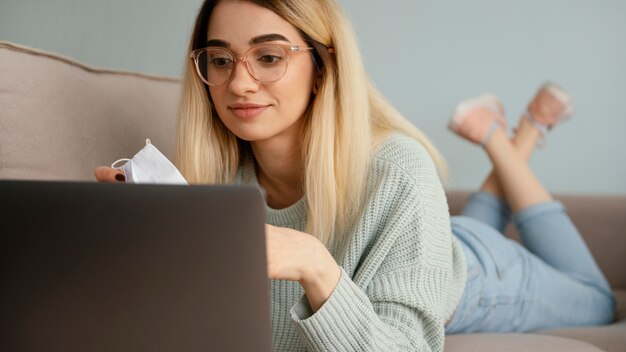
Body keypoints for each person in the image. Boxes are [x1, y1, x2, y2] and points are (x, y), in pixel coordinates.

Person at [95, 1, 615, 350]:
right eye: (221, 59)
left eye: (269, 56)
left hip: (481, 277)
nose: (240, 83)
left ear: (323, 65)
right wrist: (137, 239)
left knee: (599, 298)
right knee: (459, 221)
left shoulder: (398, 168)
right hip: (426, 237)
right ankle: (516, 134)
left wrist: (317, 266)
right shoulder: (217, 181)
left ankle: (513, 136)